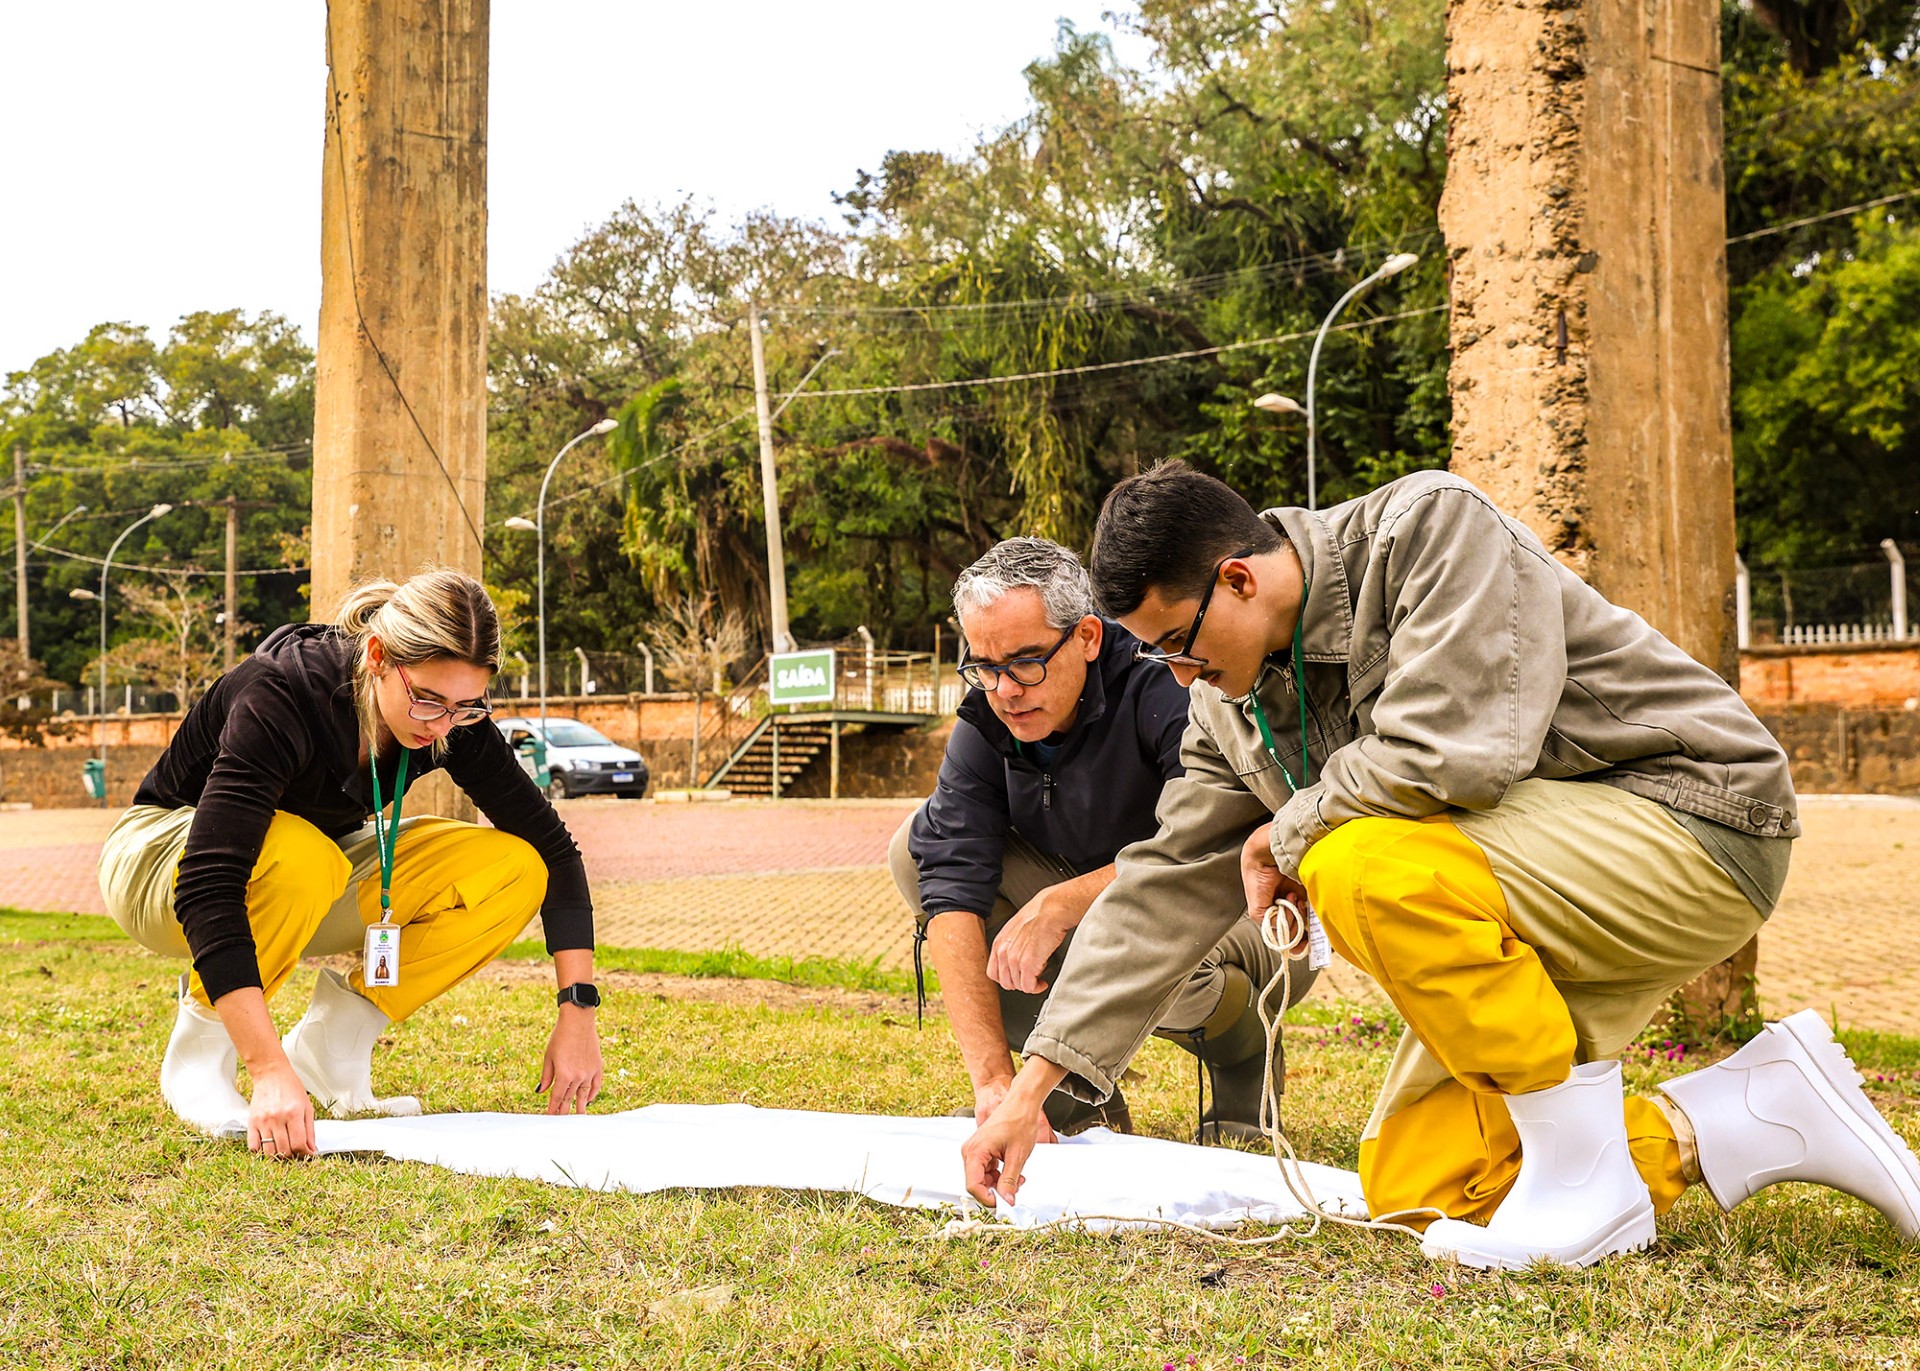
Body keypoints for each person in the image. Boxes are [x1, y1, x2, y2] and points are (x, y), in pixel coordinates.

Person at [962, 463, 1920, 1268]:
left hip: (1698, 822)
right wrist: (1027, 1093)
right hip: (1532, 893)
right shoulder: (1225, 703)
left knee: (1358, 857)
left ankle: (1587, 1181)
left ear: (1240, 580)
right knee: (1424, 1191)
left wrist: (1283, 831)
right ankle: (1754, 1113)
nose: (1178, 675)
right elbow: (1166, 880)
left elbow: (1451, 754)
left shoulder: (1428, 528)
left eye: (1179, 642)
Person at [99, 568, 605, 1161]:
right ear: (377, 655)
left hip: (307, 868)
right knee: (302, 854)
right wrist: (266, 1068)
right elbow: (210, 884)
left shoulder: (451, 721)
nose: (441, 725)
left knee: (516, 867)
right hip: (164, 862)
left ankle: (331, 1048)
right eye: (427, 700)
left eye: (466, 706)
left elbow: (555, 851)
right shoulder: (281, 692)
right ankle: (200, 1054)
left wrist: (578, 1011)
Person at [893, 537, 1314, 1145]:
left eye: (1026, 661)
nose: (1005, 689)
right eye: (984, 666)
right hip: (1123, 897)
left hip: (1241, 904)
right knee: (915, 848)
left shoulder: (1174, 690)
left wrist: (1063, 903)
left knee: (1139, 942)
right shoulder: (990, 714)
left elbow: (1205, 850)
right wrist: (993, 1082)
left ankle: (1243, 1052)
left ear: (1088, 637)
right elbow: (951, 881)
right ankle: (1064, 1095)